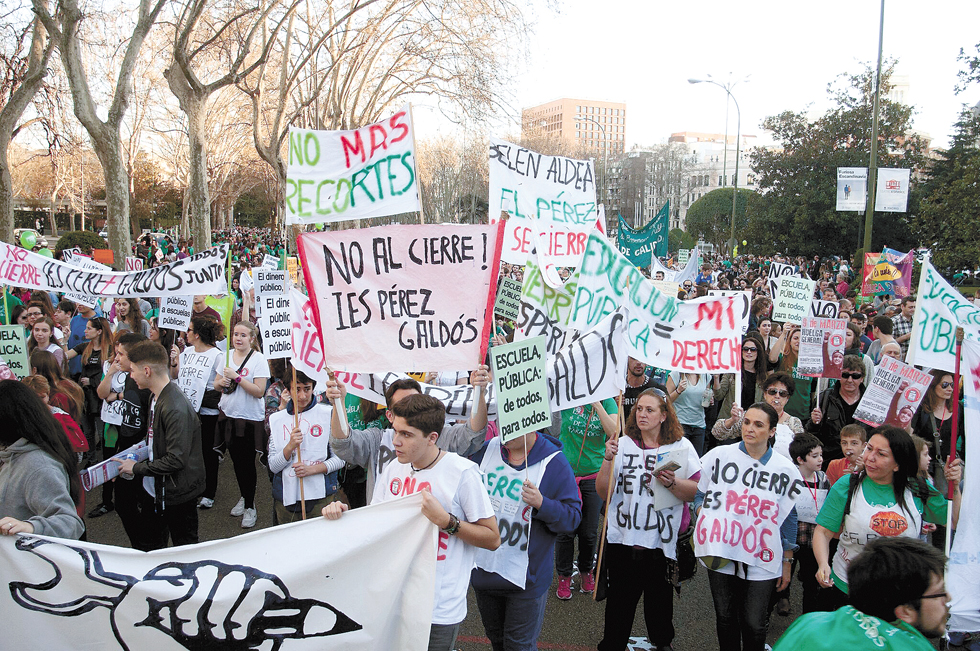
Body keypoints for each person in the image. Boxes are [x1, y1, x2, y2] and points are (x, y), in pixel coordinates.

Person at [322, 394, 500, 651]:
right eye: (395, 431)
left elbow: (492, 538)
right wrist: (344, 515)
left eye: (406, 434)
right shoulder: (394, 468)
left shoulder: (462, 473)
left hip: (437, 610)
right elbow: (376, 526)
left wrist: (447, 522)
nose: (396, 441)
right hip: (394, 598)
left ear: (432, 438)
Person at [812, 426, 962, 611]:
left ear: (897, 464)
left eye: (881, 454)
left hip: (899, 595)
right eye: (869, 448)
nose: (870, 457)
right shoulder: (847, 485)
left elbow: (953, 521)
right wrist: (822, 564)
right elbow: (823, 532)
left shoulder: (918, 488)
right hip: (847, 588)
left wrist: (955, 487)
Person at [596, 390, 701, 651]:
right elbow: (603, 492)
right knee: (619, 605)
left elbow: (696, 491)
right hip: (623, 542)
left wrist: (674, 483)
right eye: (639, 409)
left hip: (660, 544)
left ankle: (663, 642)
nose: (642, 414)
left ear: (664, 416)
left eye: (649, 410)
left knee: (660, 604)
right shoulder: (623, 445)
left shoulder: (681, 447)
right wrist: (608, 460)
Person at [695, 402, 801, 651]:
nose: (750, 428)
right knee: (725, 616)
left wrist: (787, 562)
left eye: (758, 424)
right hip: (721, 549)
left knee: (754, 623)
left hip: (762, 555)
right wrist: (705, 514)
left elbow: (788, 517)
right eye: (747, 422)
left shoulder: (785, 469)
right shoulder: (719, 456)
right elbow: (700, 496)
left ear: (772, 431)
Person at [470, 428, 581, 651]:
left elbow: (572, 519)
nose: (505, 431)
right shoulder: (486, 450)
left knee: (519, 646)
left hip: (526, 581)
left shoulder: (554, 462)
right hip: (484, 573)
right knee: (496, 640)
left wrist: (542, 504)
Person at [326, 371, 491, 504]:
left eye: (415, 404)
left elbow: (472, 436)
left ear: (432, 439)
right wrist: (338, 403)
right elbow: (343, 444)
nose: (397, 442)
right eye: (402, 407)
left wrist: (479, 392)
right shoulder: (378, 441)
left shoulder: (442, 436)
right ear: (390, 415)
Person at [774, 537, 951, 650]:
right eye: (940, 593)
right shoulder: (914, 647)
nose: (948, 598)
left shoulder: (808, 624)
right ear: (905, 612)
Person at [115, 340, 205, 549]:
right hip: (159, 491)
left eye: (133, 370)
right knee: (152, 545)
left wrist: (136, 468)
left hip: (177, 496)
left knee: (185, 549)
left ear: (147, 371)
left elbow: (176, 460)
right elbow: (154, 440)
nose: (131, 375)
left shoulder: (174, 407)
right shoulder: (156, 398)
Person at [552, 395, 620, 599]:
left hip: (593, 475)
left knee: (589, 532)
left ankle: (586, 570)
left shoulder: (608, 402)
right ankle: (564, 575)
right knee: (565, 531)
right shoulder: (568, 398)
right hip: (566, 475)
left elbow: (614, 433)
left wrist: (597, 405)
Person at [0, 380, 84, 540]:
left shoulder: (39, 466)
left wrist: (31, 527)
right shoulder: (8, 453)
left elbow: (69, 523)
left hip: (25, 553)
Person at [95, 332, 152, 549]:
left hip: (143, 458)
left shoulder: (147, 386)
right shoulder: (128, 378)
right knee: (123, 504)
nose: (116, 358)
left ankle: (147, 547)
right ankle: (140, 546)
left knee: (141, 506)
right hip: (126, 451)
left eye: (121, 354)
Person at [267, 366, 345, 524]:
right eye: (297, 389)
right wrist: (289, 447)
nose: (302, 396)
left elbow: (340, 458)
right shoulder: (276, 419)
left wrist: (312, 470)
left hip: (321, 497)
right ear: (288, 390)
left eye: (307, 389)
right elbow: (273, 466)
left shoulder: (328, 414)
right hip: (286, 499)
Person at [214, 321, 270, 528]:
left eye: (243, 335)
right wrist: (222, 382)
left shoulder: (259, 359)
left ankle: (250, 505)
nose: (238, 338)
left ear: (252, 338)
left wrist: (237, 378)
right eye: (236, 334)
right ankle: (245, 496)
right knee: (236, 461)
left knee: (247, 463)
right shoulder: (226, 356)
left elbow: (259, 391)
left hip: (249, 418)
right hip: (228, 416)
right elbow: (216, 384)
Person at [171, 315, 224, 509]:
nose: (186, 333)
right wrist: (174, 362)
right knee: (190, 452)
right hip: (187, 411)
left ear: (198, 334)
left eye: (189, 330)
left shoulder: (217, 356)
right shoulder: (186, 352)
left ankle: (209, 492)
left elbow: (220, 385)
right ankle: (194, 487)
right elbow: (176, 375)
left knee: (208, 453)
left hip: (207, 413)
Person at [910, 370, 964, 550]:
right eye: (945, 384)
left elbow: (966, 439)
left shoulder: (958, 409)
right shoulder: (922, 408)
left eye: (952, 385)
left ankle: (944, 552)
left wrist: (962, 463)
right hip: (924, 469)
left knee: (947, 515)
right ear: (933, 386)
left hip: (948, 469)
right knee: (927, 515)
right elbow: (911, 436)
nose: (950, 389)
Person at [780, 433, 831, 616]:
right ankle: (782, 598)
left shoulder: (823, 479)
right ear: (800, 459)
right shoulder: (789, 478)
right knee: (784, 572)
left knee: (811, 581)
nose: (820, 459)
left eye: (821, 455)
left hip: (812, 538)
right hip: (791, 537)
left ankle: (808, 617)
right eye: (815, 456)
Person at [65, 316, 114, 498]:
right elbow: (63, 356)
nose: (85, 331)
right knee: (87, 432)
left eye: (89, 328)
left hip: (100, 396)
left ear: (99, 331)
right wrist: (64, 340)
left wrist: (92, 381)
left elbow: (111, 372)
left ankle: (103, 464)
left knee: (102, 432)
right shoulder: (84, 347)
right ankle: (91, 461)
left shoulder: (109, 349)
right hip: (85, 397)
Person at [713, 372, 803, 459]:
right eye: (772, 392)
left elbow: (801, 451)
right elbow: (717, 433)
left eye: (782, 393)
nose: (777, 396)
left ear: (787, 398)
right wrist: (732, 420)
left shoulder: (794, 423)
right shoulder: (750, 416)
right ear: (765, 394)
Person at [805, 355, 867, 468]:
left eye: (855, 376)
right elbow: (811, 435)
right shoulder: (824, 398)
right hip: (828, 462)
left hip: (861, 464)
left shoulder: (870, 402)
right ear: (838, 376)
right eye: (845, 375)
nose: (850, 380)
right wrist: (814, 423)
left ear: (862, 378)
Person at [666, 370, 710, 455]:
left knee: (696, 459)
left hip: (699, 425)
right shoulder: (676, 374)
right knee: (679, 458)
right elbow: (665, 400)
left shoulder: (705, 375)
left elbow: (706, 397)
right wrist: (678, 391)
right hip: (680, 424)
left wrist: (709, 400)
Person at [891, 296, 915, 360]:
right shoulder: (894, 321)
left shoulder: (918, 321)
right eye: (910, 307)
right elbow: (890, 343)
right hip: (900, 359)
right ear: (902, 307)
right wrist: (906, 337)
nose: (913, 309)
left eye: (914, 307)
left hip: (915, 359)